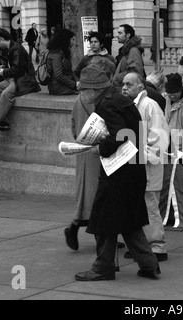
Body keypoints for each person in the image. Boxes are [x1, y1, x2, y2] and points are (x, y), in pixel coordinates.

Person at [74, 80, 161, 282]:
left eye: (82, 91)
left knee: (103, 221)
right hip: (133, 170)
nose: (81, 96)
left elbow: (119, 135)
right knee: (129, 221)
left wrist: (100, 149)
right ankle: (149, 264)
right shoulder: (120, 100)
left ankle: (103, 267)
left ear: (92, 90)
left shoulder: (107, 104)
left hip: (118, 172)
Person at [64, 63, 115, 251]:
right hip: (93, 152)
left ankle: (82, 229)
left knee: (90, 196)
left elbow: (73, 126)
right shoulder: (92, 99)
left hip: (85, 150)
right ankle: (98, 237)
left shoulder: (81, 99)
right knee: (95, 196)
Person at [121, 72, 170, 262]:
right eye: (123, 84)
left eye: (129, 84)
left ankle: (157, 247)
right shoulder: (132, 105)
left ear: (140, 87)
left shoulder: (150, 106)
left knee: (150, 206)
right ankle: (142, 246)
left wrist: (142, 157)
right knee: (139, 206)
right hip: (136, 165)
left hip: (147, 166)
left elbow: (159, 138)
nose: (124, 88)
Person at [0, 27, 40, 141]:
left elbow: (18, 70)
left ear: (1, 39)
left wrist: (4, 71)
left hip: (24, 80)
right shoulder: (11, 48)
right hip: (14, 79)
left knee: (6, 94)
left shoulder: (16, 49)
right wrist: (5, 70)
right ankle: (2, 122)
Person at [112, 24, 145, 91]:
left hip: (129, 89)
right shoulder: (126, 50)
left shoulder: (133, 50)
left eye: (120, 33)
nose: (117, 36)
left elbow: (135, 71)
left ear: (128, 35)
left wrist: (117, 77)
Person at [46, 28, 78, 95]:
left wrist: (77, 81)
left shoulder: (63, 52)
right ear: (66, 40)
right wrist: (74, 84)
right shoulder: (56, 54)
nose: (74, 43)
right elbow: (58, 75)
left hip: (66, 84)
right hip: (58, 87)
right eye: (72, 40)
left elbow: (69, 71)